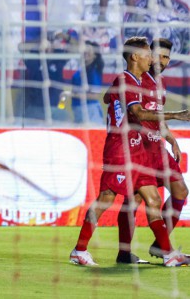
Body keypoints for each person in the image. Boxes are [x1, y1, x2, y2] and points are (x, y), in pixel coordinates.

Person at [70, 36, 190, 267]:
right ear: (137, 57)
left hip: (138, 148)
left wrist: (170, 137)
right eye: (150, 55)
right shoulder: (128, 80)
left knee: (153, 198)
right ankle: (80, 249)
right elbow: (138, 113)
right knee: (108, 198)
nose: (154, 60)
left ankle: (168, 253)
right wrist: (176, 115)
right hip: (121, 148)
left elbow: (109, 98)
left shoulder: (135, 80)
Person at [115, 38, 189, 264]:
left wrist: (172, 140)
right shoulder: (135, 80)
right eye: (159, 56)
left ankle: (160, 245)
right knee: (134, 200)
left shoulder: (160, 83)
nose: (163, 61)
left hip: (158, 148)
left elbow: (157, 118)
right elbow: (136, 113)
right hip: (140, 148)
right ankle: (125, 252)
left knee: (180, 192)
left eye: (167, 57)